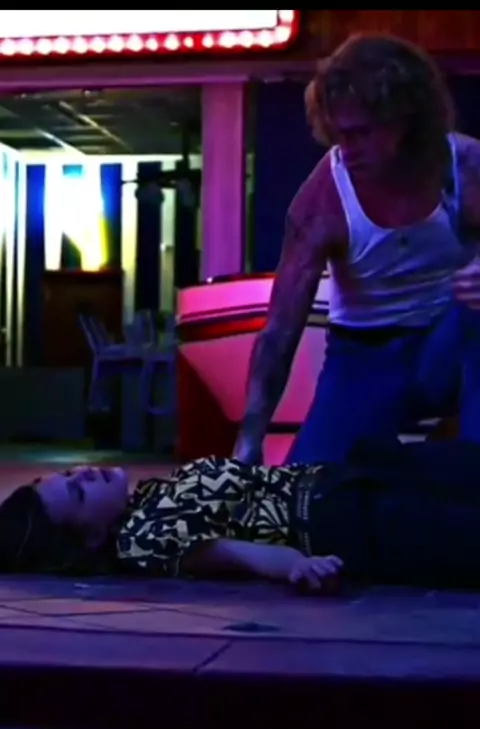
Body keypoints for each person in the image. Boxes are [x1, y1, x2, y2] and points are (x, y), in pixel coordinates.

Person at [234, 33, 480, 466]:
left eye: (362, 134)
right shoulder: (323, 200)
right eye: (339, 134)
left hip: (445, 346)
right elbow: (279, 332)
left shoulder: (465, 167)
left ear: (404, 119)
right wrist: (249, 441)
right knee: (309, 488)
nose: (348, 151)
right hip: (364, 358)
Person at [3, 439, 480, 593]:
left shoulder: (148, 496)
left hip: (346, 478)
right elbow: (232, 554)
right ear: (90, 537)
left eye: (71, 473)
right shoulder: (143, 539)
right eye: (79, 491)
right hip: (344, 520)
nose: (86, 472)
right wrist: (297, 565)